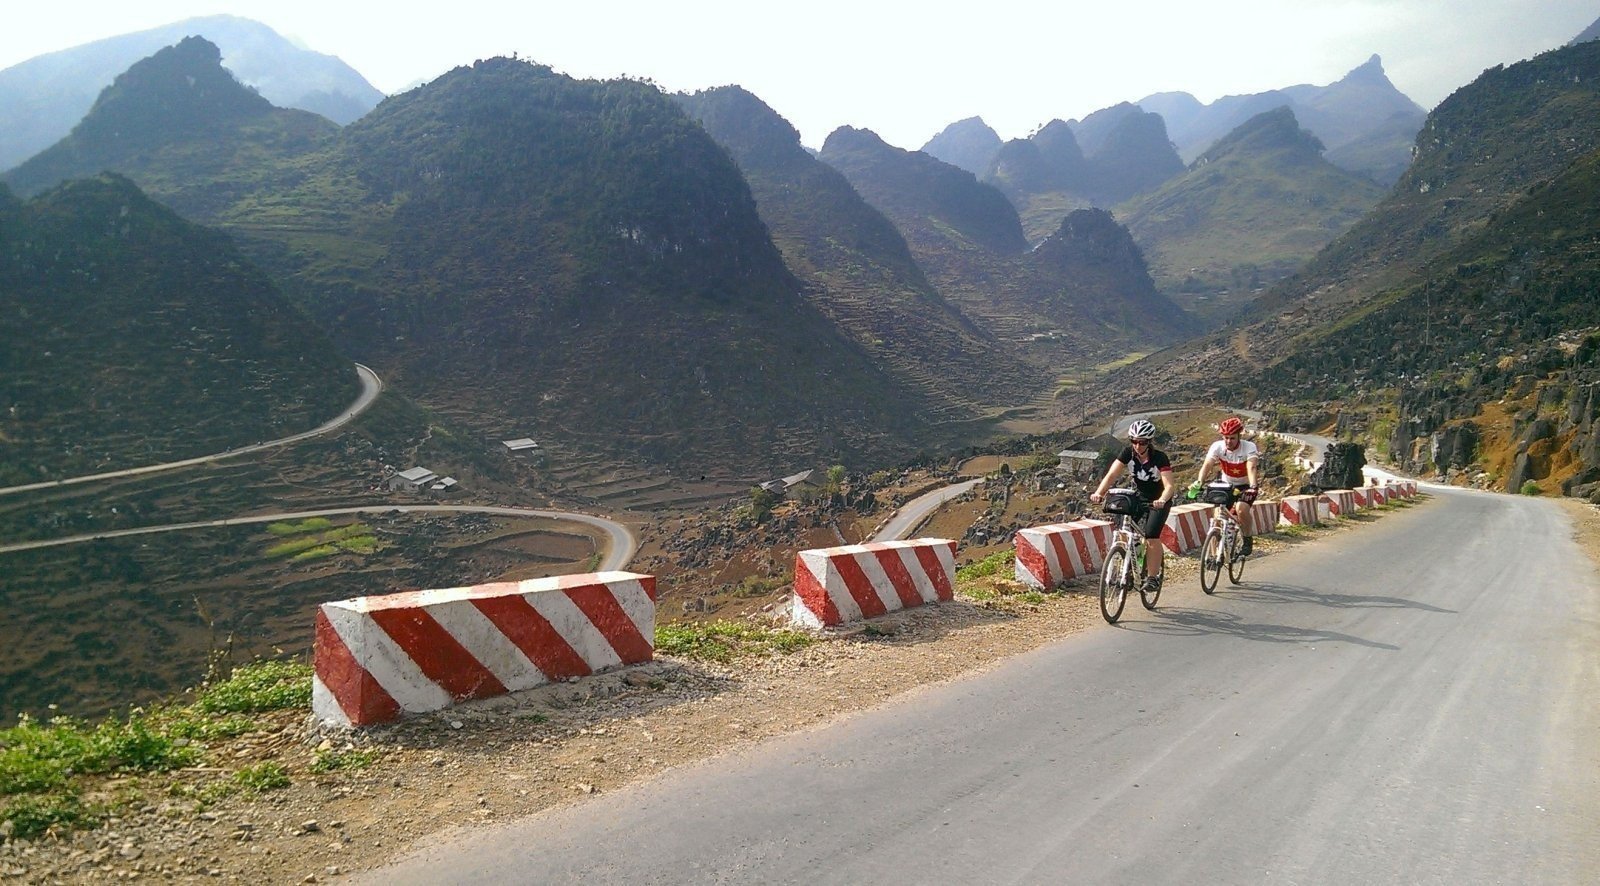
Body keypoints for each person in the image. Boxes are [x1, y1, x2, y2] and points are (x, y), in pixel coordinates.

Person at [1090, 419, 1177, 592]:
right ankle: (1130, 566)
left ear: (1149, 442)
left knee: (1151, 535)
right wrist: (1099, 493)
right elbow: (1111, 475)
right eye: (1134, 441)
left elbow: (1169, 486)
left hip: (1159, 500)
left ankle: (1152, 577)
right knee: (1126, 528)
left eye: (1142, 442)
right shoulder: (1127, 453)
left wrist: (1162, 500)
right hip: (1139, 496)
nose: (1137, 445)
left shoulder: (1159, 458)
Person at [1193, 416, 1261, 555]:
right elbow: (1207, 465)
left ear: (1239, 436)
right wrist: (1199, 481)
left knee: (1241, 509)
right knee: (1217, 517)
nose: (1229, 441)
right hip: (1226, 485)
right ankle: (1213, 556)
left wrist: (1253, 486)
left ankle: (1247, 540)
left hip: (1245, 485)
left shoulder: (1249, 447)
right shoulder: (1217, 446)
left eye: (1232, 438)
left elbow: (1252, 467)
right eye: (1226, 438)